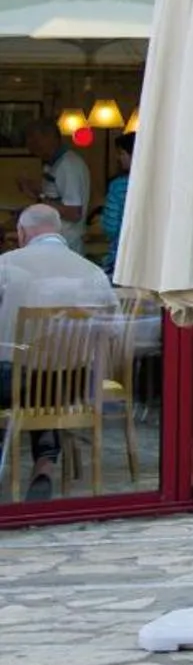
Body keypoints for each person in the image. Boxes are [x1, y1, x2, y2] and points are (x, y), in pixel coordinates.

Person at [0, 203, 115, 501]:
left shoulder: (7, 266)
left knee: (23, 377)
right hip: (74, 385)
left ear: (22, 232)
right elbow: (112, 328)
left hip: (15, 381)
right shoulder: (93, 272)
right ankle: (45, 464)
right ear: (59, 231)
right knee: (45, 383)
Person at [20, 122, 89, 231]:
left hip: (65, 237)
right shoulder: (53, 163)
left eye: (35, 141)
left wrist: (40, 197)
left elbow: (74, 213)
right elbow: (54, 198)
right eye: (28, 141)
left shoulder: (67, 166)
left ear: (52, 138)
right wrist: (37, 192)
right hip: (54, 234)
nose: (30, 146)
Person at [96, 136, 133, 270]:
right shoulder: (161, 183)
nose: (118, 158)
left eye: (121, 153)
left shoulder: (118, 186)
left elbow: (110, 227)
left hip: (122, 254)